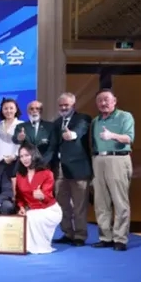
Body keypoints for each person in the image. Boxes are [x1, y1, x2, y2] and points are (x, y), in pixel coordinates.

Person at [90, 89, 135, 251]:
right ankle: (105, 237)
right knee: (101, 202)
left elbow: (129, 138)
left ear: (114, 101)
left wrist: (112, 135)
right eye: (100, 100)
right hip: (98, 160)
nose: (103, 103)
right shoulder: (95, 121)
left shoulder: (125, 116)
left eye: (106, 100)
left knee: (120, 201)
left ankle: (120, 239)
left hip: (118, 159)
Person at [47, 92, 92, 246]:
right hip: (60, 169)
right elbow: (53, 146)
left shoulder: (83, 118)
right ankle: (67, 233)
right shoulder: (56, 122)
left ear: (74, 105)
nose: (63, 108)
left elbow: (80, 130)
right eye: (61, 105)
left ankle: (80, 235)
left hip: (78, 169)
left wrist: (72, 134)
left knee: (79, 205)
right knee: (62, 204)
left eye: (66, 105)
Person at [15, 143, 62, 254]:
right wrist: (21, 207)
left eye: (27, 155)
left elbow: (48, 198)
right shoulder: (20, 175)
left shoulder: (47, 173)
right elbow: (19, 197)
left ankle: (37, 247)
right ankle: (28, 246)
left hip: (49, 209)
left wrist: (42, 196)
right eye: (21, 156)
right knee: (27, 216)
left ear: (34, 155)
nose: (24, 159)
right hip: (32, 209)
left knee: (31, 216)